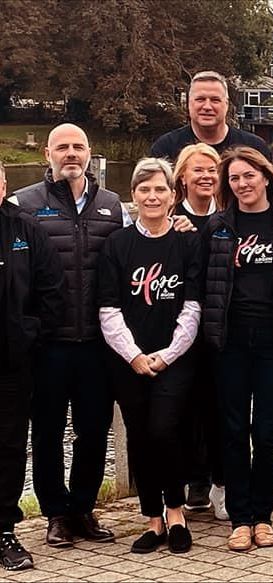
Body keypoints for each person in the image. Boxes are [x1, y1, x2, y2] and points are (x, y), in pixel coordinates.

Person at [11, 123, 128, 548]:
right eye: (63, 147)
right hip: (47, 345)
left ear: (89, 152)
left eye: (78, 146)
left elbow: (137, 250)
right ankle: (55, 514)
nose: (71, 154)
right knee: (45, 432)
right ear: (48, 154)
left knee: (94, 430)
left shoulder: (113, 206)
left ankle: (82, 508)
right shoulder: (22, 205)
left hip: (97, 344)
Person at [202, 147, 273, 552]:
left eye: (249, 176)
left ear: (266, 177)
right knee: (232, 429)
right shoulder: (217, 227)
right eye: (234, 178)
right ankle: (240, 516)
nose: (242, 184)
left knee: (266, 431)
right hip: (229, 342)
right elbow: (204, 282)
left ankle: (264, 515)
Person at [98, 158, 202, 554]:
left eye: (160, 189)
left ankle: (176, 511)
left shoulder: (187, 242)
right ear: (134, 196)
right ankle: (152, 520)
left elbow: (193, 305)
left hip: (175, 358)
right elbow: (108, 309)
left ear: (173, 195)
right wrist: (134, 355)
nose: (152, 196)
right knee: (140, 436)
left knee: (164, 430)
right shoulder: (118, 245)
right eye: (144, 189)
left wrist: (168, 355)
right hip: (128, 360)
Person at [0, 160, 65, 571]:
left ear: (4, 183)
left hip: (12, 360)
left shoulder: (24, 229)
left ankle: (4, 530)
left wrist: (29, 334)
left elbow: (51, 290)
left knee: (7, 446)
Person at [171, 144, 227, 519]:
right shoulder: (171, 218)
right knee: (185, 407)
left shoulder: (231, 217)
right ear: (182, 178)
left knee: (221, 406)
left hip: (223, 329)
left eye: (212, 169)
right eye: (197, 170)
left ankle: (223, 480)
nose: (206, 176)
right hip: (181, 329)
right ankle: (193, 480)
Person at [150, 71, 273, 163]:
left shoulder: (255, 148)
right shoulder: (165, 149)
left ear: (226, 105)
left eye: (215, 100)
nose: (207, 106)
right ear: (188, 103)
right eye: (200, 99)